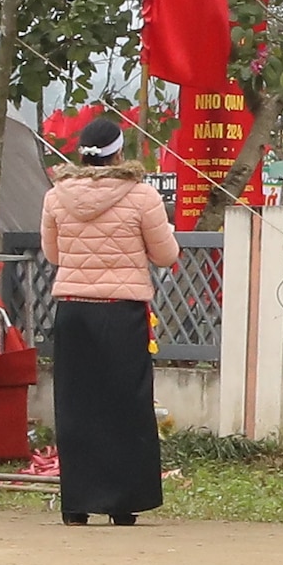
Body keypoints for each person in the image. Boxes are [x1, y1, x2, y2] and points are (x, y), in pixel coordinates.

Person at [38, 114, 174, 527]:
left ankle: (76, 503)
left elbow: (54, 255)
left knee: (76, 404)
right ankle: (122, 502)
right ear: (118, 152)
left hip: (74, 310)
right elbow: (166, 255)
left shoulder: (56, 195)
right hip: (121, 309)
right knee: (125, 404)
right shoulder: (142, 196)